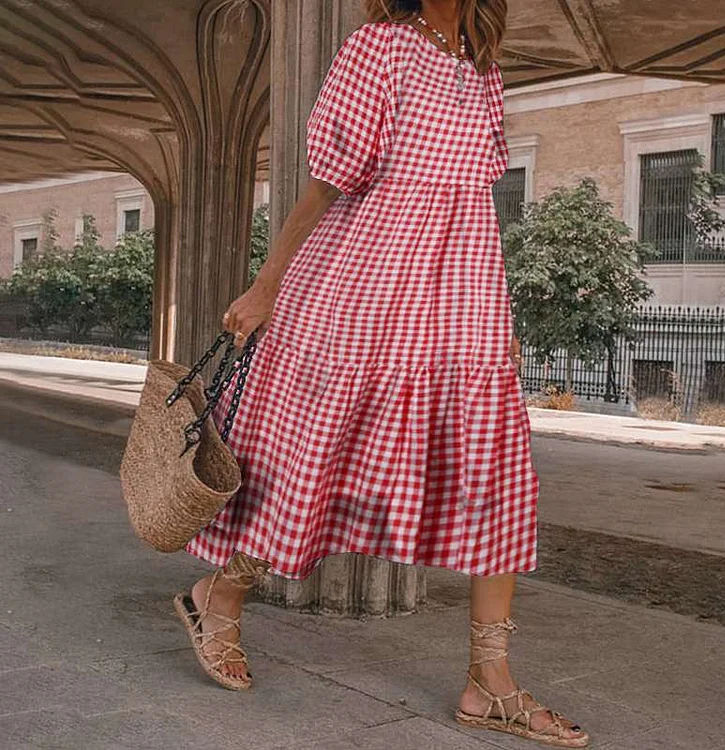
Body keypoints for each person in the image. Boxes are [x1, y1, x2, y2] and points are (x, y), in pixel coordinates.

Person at [173, 1, 589, 746]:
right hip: (367, 280)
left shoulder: (481, 59)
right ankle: (220, 596)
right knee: (319, 455)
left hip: (461, 288)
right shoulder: (379, 46)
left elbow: (470, 193)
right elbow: (327, 185)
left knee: (489, 467)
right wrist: (268, 283)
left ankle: (489, 682)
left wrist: (495, 314)